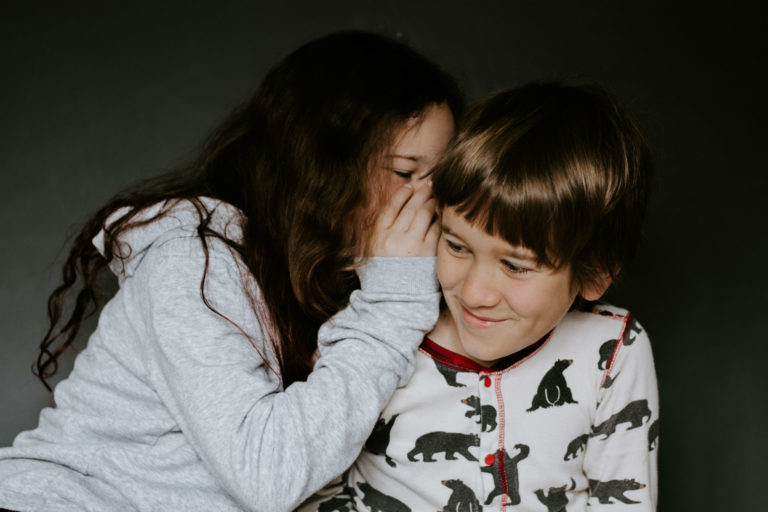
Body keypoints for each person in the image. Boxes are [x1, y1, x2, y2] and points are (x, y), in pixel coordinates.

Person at [0, 31, 462, 512]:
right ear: (321, 167)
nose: (427, 201)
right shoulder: (189, 262)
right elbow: (269, 475)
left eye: (441, 178)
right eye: (405, 173)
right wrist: (393, 301)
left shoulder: (347, 280)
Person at [303, 83, 658, 511]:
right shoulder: (375, 332)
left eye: (515, 266)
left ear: (596, 273)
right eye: (456, 246)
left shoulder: (615, 349)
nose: (474, 292)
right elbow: (310, 487)